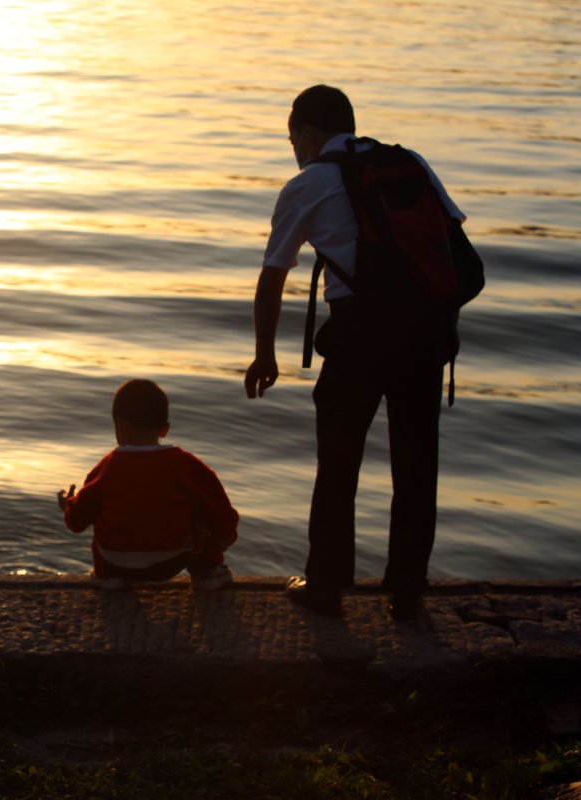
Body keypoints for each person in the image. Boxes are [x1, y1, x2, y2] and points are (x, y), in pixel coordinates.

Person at [243, 85, 465, 621]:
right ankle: (408, 592)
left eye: (291, 137)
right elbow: (450, 246)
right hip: (425, 333)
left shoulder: (309, 182)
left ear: (309, 133)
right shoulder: (408, 163)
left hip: (360, 334)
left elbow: (273, 276)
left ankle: (325, 587)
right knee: (417, 463)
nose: (293, 148)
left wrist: (265, 354)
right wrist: (445, 332)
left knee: (339, 461)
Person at [58, 379, 239, 590]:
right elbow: (220, 509)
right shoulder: (185, 465)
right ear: (165, 429)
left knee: (100, 511)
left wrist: (68, 505)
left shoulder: (106, 468)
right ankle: (207, 574)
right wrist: (226, 535)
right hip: (172, 561)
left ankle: (106, 577)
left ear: (119, 426)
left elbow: (77, 523)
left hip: (116, 562)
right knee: (204, 510)